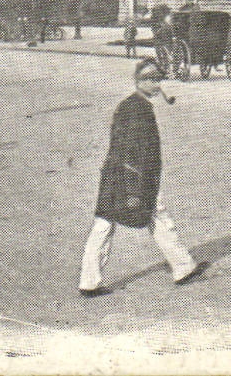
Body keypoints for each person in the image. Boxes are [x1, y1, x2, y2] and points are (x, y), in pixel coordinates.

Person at [79, 60, 207, 297]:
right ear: (139, 82)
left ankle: (89, 281)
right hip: (134, 177)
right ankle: (183, 266)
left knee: (108, 223)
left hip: (116, 175)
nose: (157, 85)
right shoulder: (139, 110)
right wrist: (136, 189)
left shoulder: (130, 105)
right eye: (152, 80)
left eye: (159, 80)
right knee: (150, 217)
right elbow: (135, 152)